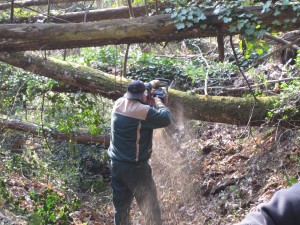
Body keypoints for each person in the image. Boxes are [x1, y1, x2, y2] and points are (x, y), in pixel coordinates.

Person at [108, 80, 172, 225]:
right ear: (143, 96)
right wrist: (158, 102)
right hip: (136, 169)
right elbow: (166, 118)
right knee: (150, 208)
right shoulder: (143, 111)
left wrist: (151, 84)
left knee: (121, 208)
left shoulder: (118, 103)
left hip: (116, 165)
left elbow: (139, 92)